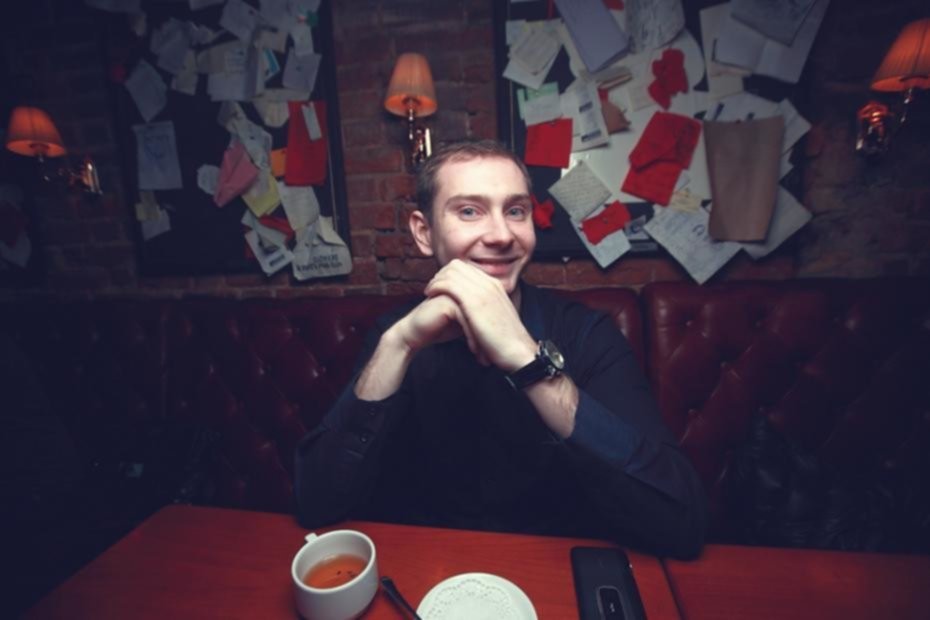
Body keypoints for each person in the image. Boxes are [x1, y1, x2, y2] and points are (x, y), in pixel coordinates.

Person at [295, 140, 706, 559]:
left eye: (515, 211)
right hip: (432, 567)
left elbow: (682, 524)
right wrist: (397, 345)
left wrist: (528, 360)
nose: (502, 235)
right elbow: (316, 502)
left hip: (551, 565)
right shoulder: (395, 333)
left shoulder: (587, 332)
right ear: (424, 232)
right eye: (469, 211)